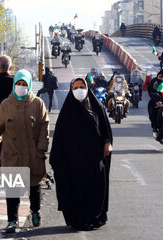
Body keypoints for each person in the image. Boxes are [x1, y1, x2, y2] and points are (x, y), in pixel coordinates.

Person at [0, 69, 49, 233]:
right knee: (12, 190)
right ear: (14, 84)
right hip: (12, 154)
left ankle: (35, 212)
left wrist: (42, 148)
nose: (21, 87)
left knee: (34, 187)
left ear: (29, 85)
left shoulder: (37, 103)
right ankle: (12, 220)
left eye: (24, 84)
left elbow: (44, 127)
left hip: (33, 154)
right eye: (18, 83)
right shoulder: (6, 104)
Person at [50, 77, 112, 231]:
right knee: (76, 189)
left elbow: (105, 129)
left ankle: (94, 217)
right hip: (73, 161)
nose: (79, 90)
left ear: (87, 88)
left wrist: (107, 142)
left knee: (97, 186)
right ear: (71, 90)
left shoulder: (97, 107)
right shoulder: (67, 112)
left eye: (81, 86)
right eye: (75, 87)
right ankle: (79, 219)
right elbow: (59, 138)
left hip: (95, 157)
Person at [147, 70, 163, 138]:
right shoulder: (154, 82)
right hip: (156, 101)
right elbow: (150, 92)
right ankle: (155, 128)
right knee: (153, 114)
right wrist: (157, 101)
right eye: (160, 77)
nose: (162, 78)